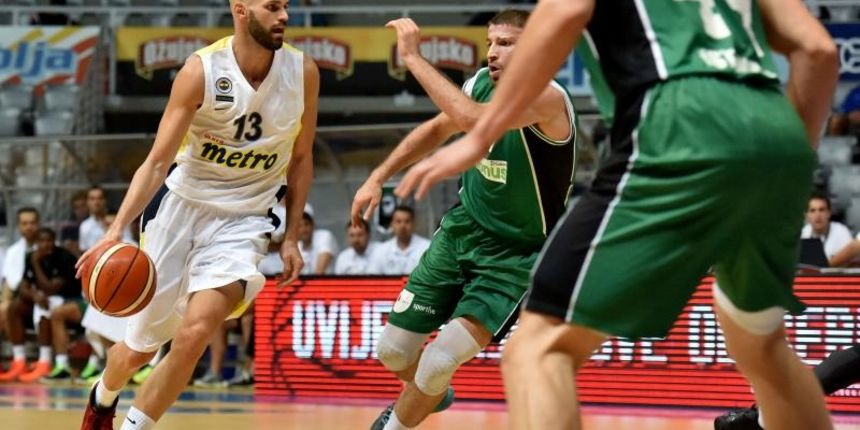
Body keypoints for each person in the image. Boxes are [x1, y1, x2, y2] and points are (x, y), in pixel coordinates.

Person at [395, 0, 839, 429]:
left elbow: (566, 11)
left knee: (540, 347)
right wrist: (787, 161)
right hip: (778, 137)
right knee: (761, 345)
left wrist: (480, 135)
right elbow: (818, 51)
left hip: (677, 126)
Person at [77, 0, 318, 427]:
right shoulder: (200, 71)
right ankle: (103, 396)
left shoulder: (303, 72)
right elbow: (156, 163)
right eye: (272, 6)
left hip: (246, 218)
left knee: (195, 333)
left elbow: (301, 158)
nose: (284, 16)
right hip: (180, 209)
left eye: (286, 6)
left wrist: (293, 237)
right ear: (240, 10)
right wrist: (114, 231)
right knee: (138, 351)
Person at [353, 11, 577, 429]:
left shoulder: (547, 98)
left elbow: (474, 121)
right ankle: (429, 394)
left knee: (438, 361)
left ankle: (399, 420)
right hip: (461, 233)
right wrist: (378, 176)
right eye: (490, 42)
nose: (492, 52)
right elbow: (439, 128)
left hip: (515, 255)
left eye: (506, 43)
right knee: (394, 354)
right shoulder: (479, 84)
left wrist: (413, 58)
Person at [12, 228, 83, 383]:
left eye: (49, 240)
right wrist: (34, 295)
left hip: (70, 298)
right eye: (42, 241)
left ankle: (45, 362)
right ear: (36, 243)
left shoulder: (64, 257)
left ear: (54, 241)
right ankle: (19, 360)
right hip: (44, 299)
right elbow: (23, 286)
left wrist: (36, 264)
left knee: (47, 309)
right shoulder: (30, 256)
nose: (46, 244)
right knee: (13, 307)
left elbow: (51, 288)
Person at [0, 207, 40, 382]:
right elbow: (9, 283)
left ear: (38, 224)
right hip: (21, 300)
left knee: (8, 308)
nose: (29, 226)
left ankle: (27, 360)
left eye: (32, 223)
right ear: (19, 226)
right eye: (24, 223)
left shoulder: (47, 246)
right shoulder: (13, 251)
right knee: (5, 308)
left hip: (42, 300)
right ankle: (19, 361)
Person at [366, 206, 429, 275]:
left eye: (407, 221)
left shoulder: (427, 248)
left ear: (414, 224)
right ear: (391, 224)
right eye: (398, 221)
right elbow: (373, 276)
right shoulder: (381, 251)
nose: (402, 226)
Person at [801, 191, 853, 259]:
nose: (817, 215)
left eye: (821, 210)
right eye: (812, 211)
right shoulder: (803, 233)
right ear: (806, 215)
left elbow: (852, 261)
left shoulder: (842, 233)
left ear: (829, 213)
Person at [298, 206, 339, 275]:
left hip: (327, 281)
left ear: (313, 226)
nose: (303, 229)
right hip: (311, 281)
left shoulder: (324, 236)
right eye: (299, 226)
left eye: (306, 224)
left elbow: (319, 272)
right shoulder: (297, 245)